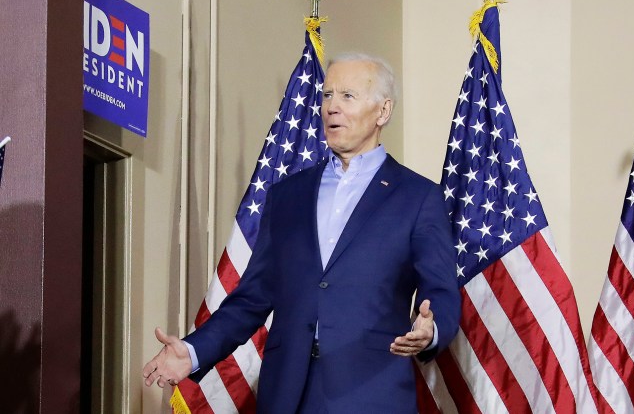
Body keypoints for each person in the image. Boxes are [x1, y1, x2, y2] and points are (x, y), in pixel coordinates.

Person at [142, 53, 461, 413]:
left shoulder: (418, 197)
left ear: (383, 112)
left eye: (348, 96)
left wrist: (430, 331)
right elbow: (252, 297)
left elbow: (441, 292)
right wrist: (193, 351)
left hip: (371, 392)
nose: (332, 107)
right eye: (327, 95)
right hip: (287, 394)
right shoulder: (287, 195)